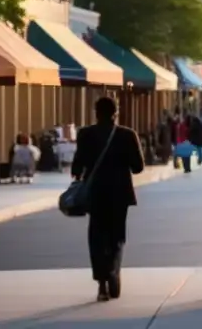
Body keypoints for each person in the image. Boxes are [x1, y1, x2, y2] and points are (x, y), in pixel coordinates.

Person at [71, 96, 145, 303]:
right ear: (116, 112)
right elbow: (138, 167)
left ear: (96, 112)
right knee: (116, 236)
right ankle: (113, 271)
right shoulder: (127, 135)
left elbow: (77, 167)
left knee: (96, 236)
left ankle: (101, 283)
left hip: (95, 193)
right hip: (119, 194)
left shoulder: (85, 134)